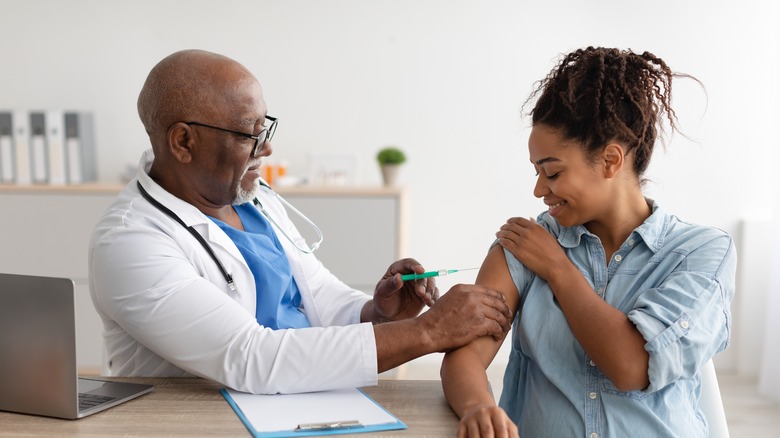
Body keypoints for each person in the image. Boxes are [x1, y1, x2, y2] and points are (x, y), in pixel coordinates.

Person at [88, 49, 512, 395]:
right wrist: (428, 331)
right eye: (247, 134)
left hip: (300, 403)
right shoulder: (130, 241)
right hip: (204, 419)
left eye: (265, 127)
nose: (267, 148)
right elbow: (252, 357)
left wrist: (376, 313)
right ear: (184, 141)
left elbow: (317, 297)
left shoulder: (254, 201)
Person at [440, 47, 736, 438]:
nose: (538, 190)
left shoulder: (701, 252)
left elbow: (632, 366)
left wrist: (558, 269)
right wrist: (478, 406)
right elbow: (465, 354)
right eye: (536, 172)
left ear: (611, 160)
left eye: (553, 173)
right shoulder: (526, 243)